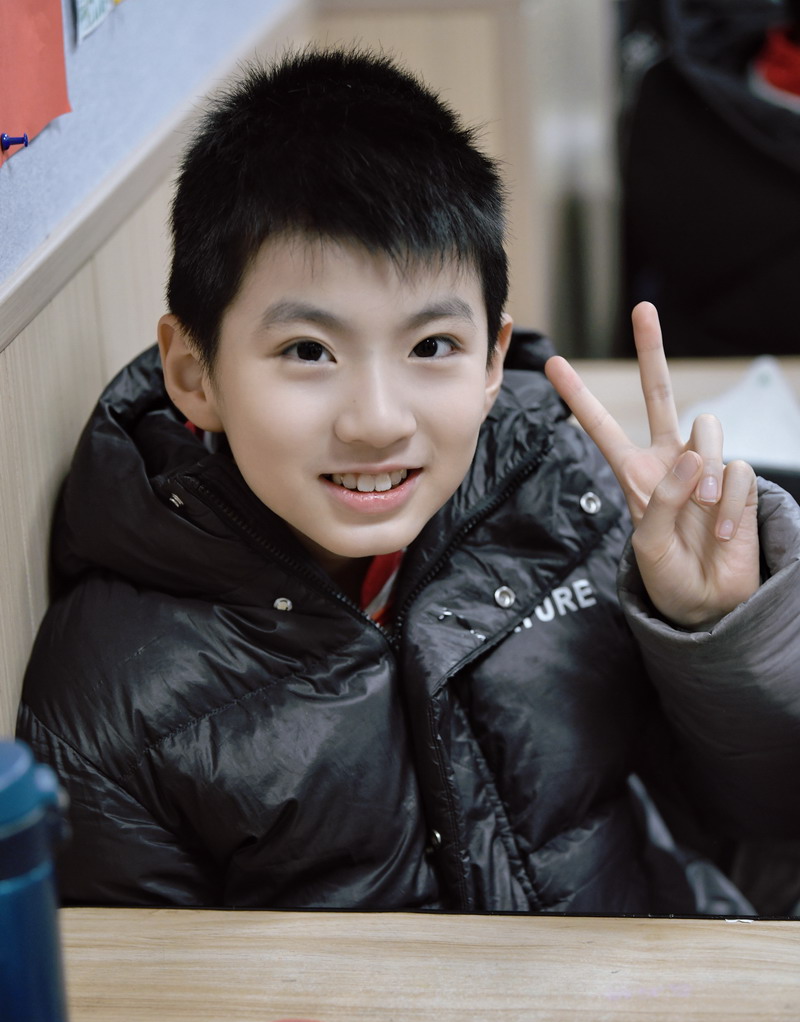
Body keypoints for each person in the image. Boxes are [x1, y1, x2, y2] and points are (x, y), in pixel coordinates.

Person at [16, 47, 800, 914]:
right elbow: (146, 989)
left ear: (493, 362)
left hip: (651, 978)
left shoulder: (561, 495)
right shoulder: (111, 690)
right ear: (194, 372)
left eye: (432, 346)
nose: (378, 420)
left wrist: (712, 631)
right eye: (308, 351)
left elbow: (753, 816)